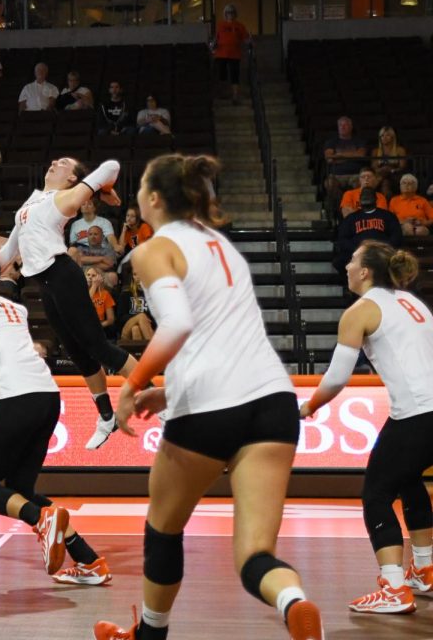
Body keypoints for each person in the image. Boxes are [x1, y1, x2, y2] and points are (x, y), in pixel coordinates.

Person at [94, 154, 322, 640]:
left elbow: (179, 324)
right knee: (255, 556)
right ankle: (293, 602)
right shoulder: (221, 244)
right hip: (273, 401)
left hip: (210, 408)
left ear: (153, 198)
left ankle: (150, 635)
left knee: (163, 529)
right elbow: (223, 334)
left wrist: (133, 387)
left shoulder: (155, 248)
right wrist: (169, 389)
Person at [0, 253, 111, 588]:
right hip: (45, 396)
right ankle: (89, 560)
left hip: (16, 398)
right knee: (20, 490)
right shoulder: (16, 307)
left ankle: (42, 519)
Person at [300, 241, 433, 613]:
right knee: (407, 481)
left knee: (375, 495)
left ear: (365, 272)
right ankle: (424, 568)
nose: (346, 266)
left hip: (417, 414)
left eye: (352, 261)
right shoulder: (413, 302)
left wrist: (308, 406)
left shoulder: (360, 310)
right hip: (427, 411)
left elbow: (337, 378)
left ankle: (393, 587)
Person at [0, 157, 136, 450]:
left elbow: (110, 165)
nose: (54, 162)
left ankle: (161, 401)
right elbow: (10, 249)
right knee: (77, 352)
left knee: (98, 347)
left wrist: (100, 189)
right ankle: (106, 416)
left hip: (62, 274)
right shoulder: (32, 201)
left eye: (63, 163)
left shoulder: (66, 198)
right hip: (44, 284)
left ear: (73, 179)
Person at [212, 3, 252, 103]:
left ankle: (235, 95)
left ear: (235, 14)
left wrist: (250, 41)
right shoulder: (221, 25)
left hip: (235, 54)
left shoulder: (240, 26)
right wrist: (213, 44)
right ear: (225, 14)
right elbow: (216, 38)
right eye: (228, 12)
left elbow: (245, 38)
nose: (230, 14)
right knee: (222, 74)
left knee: (235, 75)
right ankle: (223, 94)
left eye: (232, 12)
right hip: (221, 53)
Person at [118, 272, 155, 342]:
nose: (137, 277)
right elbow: (121, 318)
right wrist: (137, 318)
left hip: (147, 329)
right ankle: (155, 349)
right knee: (141, 316)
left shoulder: (152, 294)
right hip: (126, 329)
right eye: (135, 274)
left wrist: (143, 322)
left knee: (135, 329)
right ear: (132, 277)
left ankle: (139, 352)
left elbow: (156, 318)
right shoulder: (126, 293)